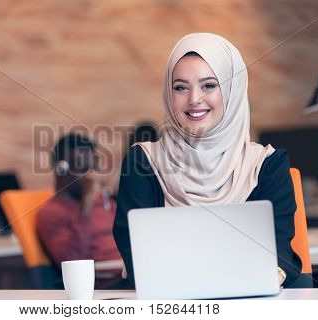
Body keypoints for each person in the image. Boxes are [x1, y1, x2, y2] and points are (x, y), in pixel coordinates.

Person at [113, 33, 302, 289]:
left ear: (232, 91)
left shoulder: (267, 165)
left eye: (209, 85)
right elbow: (136, 254)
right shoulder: (143, 162)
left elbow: (279, 255)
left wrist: (261, 282)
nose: (194, 99)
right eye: (180, 87)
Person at [36, 133, 122, 282]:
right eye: (84, 169)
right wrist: (87, 202)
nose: (93, 177)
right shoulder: (51, 213)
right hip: (107, 283)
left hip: (130, 273)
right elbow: (70, 261)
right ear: (61, 171)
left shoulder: (105, 203)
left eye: (94, 168)